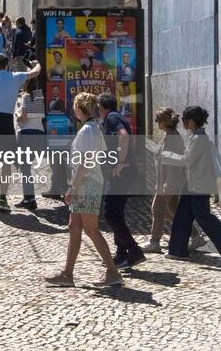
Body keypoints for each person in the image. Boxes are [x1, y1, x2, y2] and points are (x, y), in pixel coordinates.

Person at [45, 92, 123, 288]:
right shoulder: (91, 128)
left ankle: (113, 272)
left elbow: (86, 161)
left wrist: (73, 187)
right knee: (74, 227)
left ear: (80, 108)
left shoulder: (88, 130)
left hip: (86, 183)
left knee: (91, 229)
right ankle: (67, 273)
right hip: (86, 182)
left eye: (74, 106)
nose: (73, 109)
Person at [160, 106, 221, 262]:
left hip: (200, 185)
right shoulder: (196, 137)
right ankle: (177, 250)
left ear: (190, 121)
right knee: (182, 216)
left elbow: (186, 160)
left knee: (203, 216)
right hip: (192, 184)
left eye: (184, 120)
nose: (183, 123)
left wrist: (165, 155)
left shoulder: (199, 139)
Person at [0, 54, 42, 213]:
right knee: (6, 164)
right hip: (6, 124)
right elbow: (36, 72)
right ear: (7, 65)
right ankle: (4, 199)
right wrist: (37, 62)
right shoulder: (15, 77)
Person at [142, 108, 206, 254]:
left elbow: (174, 163)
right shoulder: (170, 136)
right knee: (175, 211)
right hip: (167, 181)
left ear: (164, 121)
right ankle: (196, 236)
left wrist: (167, 185)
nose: (156, 123)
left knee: (157, 209)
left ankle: (154, 242)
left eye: (157, 120)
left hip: (169, 182)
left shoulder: (173, 139)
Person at [98, 93, 146, 270]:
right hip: (125, 171)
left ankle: (134, 251)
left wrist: (121, 162)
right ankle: (121, 254)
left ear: (102, 107)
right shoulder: (118, 116)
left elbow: (124, 136)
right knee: (116, 212)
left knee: (111, 212)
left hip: (121, 172)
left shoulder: (111, 117)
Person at [13, 78, 45, 210]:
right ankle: (29, 198)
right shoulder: (40, 98)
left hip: (26, 135)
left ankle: (29, 199)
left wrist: (17, 113)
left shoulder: (25, 97)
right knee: (29, 167)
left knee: (25, 168)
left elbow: (24, 117)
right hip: (39, 134)